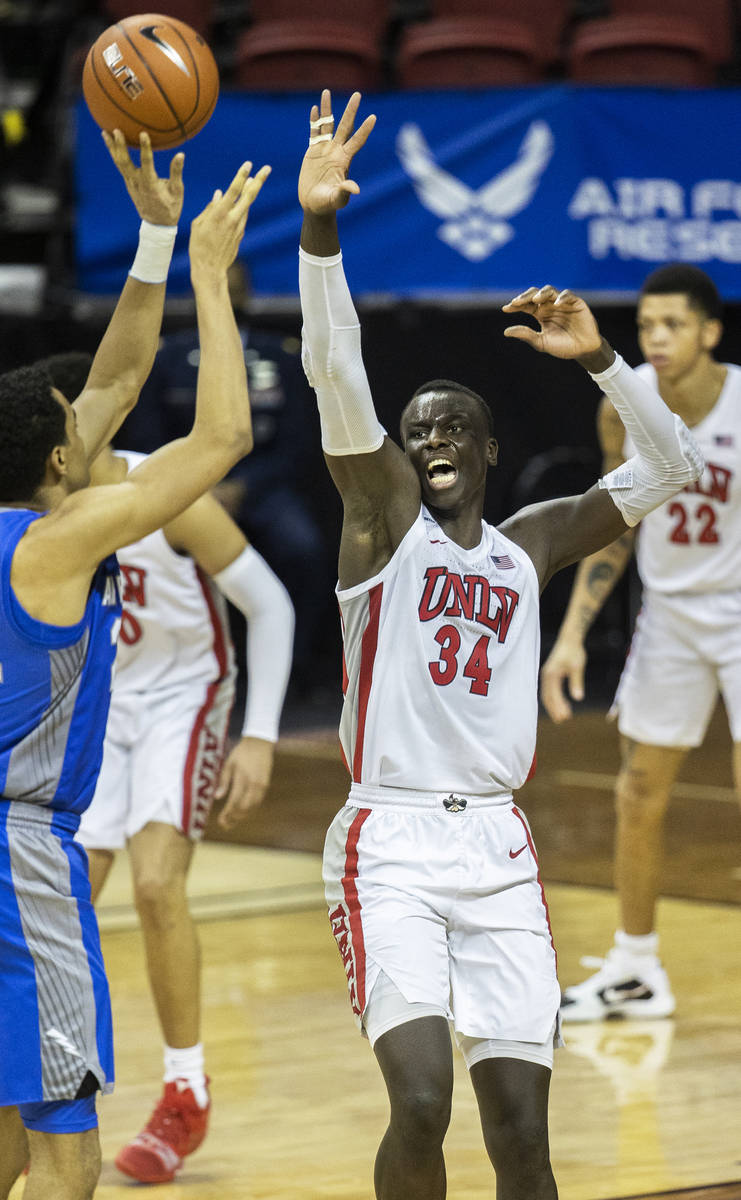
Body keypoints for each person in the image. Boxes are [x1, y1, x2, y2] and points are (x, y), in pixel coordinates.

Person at [297, 90, 704, 1200]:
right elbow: (336, 376)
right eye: (413, 427)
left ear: (483, 446)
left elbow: (670, 470)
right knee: (422, 1099)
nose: (425, 437)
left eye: (446, 426)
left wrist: (604, 363)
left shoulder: (527, 547)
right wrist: (321, 232)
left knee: (522, 1128)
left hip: (499, 854)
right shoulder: (382, 531)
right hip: (388, 841)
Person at [0, 127, 269, 1200]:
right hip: (16, 853)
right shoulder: (61, 541)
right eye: (79, 427)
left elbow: (113, 373)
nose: (94, 413)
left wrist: (150, 237)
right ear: (64, 463)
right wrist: (207, 275)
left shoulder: (8, 507)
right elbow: (223, 437)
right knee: (68, 1150)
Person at [74, 435, 294, 1185]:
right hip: (100, 701)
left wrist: (258, 736)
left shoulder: (168, 498)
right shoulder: (29, 503)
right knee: (64, 900)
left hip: (186, 693)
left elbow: (270, 606)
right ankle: (41, 1083)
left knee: (157, 883)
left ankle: (185, 1090)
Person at [540, 264, 741, 1022]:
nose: (655, 338)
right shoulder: (625, 410)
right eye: (646, 325)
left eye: (672, 325)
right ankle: (633, 967)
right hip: (671, 613)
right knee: (636, 790)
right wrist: (570, 637)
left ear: (708, 332)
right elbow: (610, 524)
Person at [118, 257, 333, 697]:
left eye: (233, 287)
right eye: (217, 285)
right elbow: (147, 438)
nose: (225, 295)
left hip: (261, 488)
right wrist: (199, 486)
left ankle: (290, 669)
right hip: (186, 490)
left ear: (245, 295)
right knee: (146, 556)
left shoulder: (282, 356)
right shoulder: (168, 356)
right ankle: (175, 664)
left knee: (305, 549)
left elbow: (297, 442)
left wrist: (243, 487)